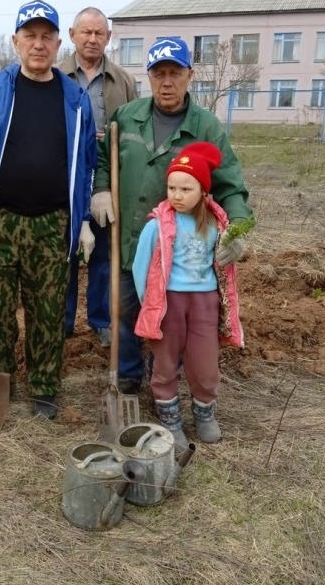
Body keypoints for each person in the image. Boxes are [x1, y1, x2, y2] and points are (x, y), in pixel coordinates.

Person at [0, 0, 97, 419]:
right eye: (29, 36)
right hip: (1, 221)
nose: (38, 44)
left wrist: (84, 216)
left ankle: (44, 390)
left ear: (58, 43)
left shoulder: (74, 97)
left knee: (47, 312)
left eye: (46, 37)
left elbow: (85, 161)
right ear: (15, 42)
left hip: (54, 222)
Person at [90, 36, 255, 396]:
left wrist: (238, 228)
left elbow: (229, 184)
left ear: (189, 75)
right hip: (131, 239)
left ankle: (163, 379)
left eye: (175, 73)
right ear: (149, 77)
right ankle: (129, 378)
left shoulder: (206, 127)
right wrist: (101, 188)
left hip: (179, 251)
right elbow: (104, 159)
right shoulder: (126, 118)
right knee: (125, 310)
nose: (167, 82)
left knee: (171, 318)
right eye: (159, 73)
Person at [132, 142, 240, 449]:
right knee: (165, 362)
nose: (177, 195)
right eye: (172, 187)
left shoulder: (216, 225)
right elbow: (142, 267)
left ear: (204, 192)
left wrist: (236, 248)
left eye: (186, 189)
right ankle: (171, 420)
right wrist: (149, 306)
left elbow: (224, 265)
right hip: (169, 303)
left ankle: (204, 414)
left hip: (204, 302)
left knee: (205, 363)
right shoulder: (158, 226)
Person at [58, 7, 138, 347]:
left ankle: (101, 320)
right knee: (65, 253)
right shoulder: (55, 75)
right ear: (73, 35)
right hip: (62, 178)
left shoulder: (124, 81)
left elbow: (134, 127)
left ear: (108, 38)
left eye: (99, 33)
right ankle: (62, 321)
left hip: (106, 178)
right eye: (85, 32)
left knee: (104, 253)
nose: (92, 39)